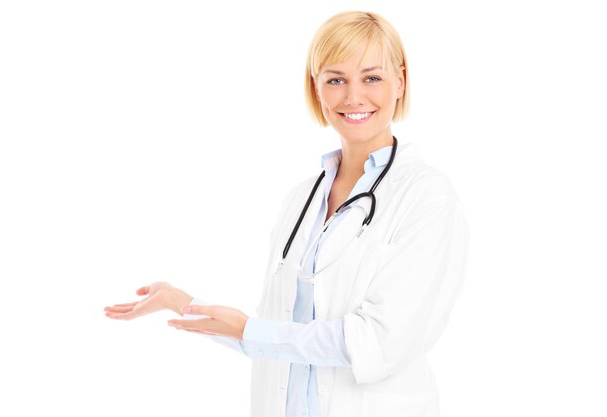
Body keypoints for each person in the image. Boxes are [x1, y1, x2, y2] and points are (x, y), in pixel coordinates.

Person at [104, 10, 470, 417]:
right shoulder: (301, 200)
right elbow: (277, 335)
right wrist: (183, 302)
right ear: (316, 89)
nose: (353, 97)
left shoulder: (427, 198)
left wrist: (249, 330)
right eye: (335, 80)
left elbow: (378, 343)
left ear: (400, 81)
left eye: (371, 78)